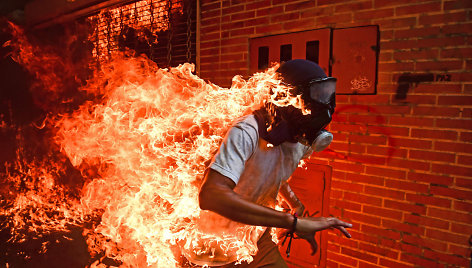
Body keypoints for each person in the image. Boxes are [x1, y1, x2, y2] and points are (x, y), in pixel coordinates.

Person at [196, 59, 352, 267]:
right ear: (288, 98)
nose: (325, 105)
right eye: (317, 94)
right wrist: (294, 223)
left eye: (327, 93)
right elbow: (211, 195)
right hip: (216, 249)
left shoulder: (300, 141)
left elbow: (271, 172)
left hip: (257, 240)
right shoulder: (247, 131)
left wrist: (294, 203)